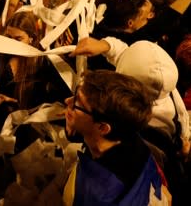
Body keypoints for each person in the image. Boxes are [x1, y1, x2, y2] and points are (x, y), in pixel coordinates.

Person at [63, 70, 170, 205]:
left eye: (77, 103)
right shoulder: (130, 137)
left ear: (103, 128)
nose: (67, 101)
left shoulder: (94, 195)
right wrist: (77, 122)